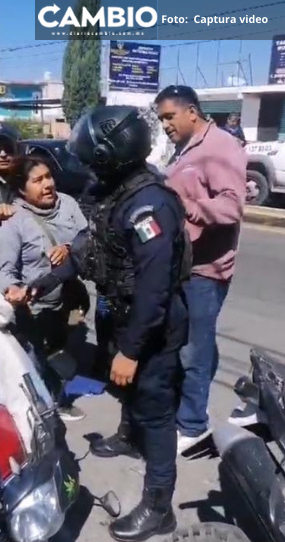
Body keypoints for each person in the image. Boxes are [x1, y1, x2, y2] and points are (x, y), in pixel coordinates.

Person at [30, 105, 190, 541]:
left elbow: (155, 290)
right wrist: (45, 283)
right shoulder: (112, 190)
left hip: (150, 328)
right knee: (127, 391)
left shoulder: (147, 205)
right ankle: (127, 434)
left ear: (110, 152)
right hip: (123, 315)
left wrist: (132, 351)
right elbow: (89, 248)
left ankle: (159, 508)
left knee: (155, 413)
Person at [156, 85, 247, 454]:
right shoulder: (187, 148)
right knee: (198, 344)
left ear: (191, 111)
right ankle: (191, 407)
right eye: (161, 119)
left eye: (169, 117)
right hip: (184, 267)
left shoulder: (221, 147)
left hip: (206, 271)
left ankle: (193, 425)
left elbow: (230, 210)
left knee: (195, 349)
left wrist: (182, 203)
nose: (164, 125)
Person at [0, 155, 88, 421]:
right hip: (34, 309)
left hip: (67, 299)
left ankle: (56, 400)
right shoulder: (14, 220)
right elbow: (4, 271)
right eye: (37, 180)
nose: (47, 184)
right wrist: (13, 289)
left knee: (59, 351)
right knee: (34, 360)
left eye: (49, 177)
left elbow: (86, 236)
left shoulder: (68, 204)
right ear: (22, 189)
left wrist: (70, 248)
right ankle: (36, 414)